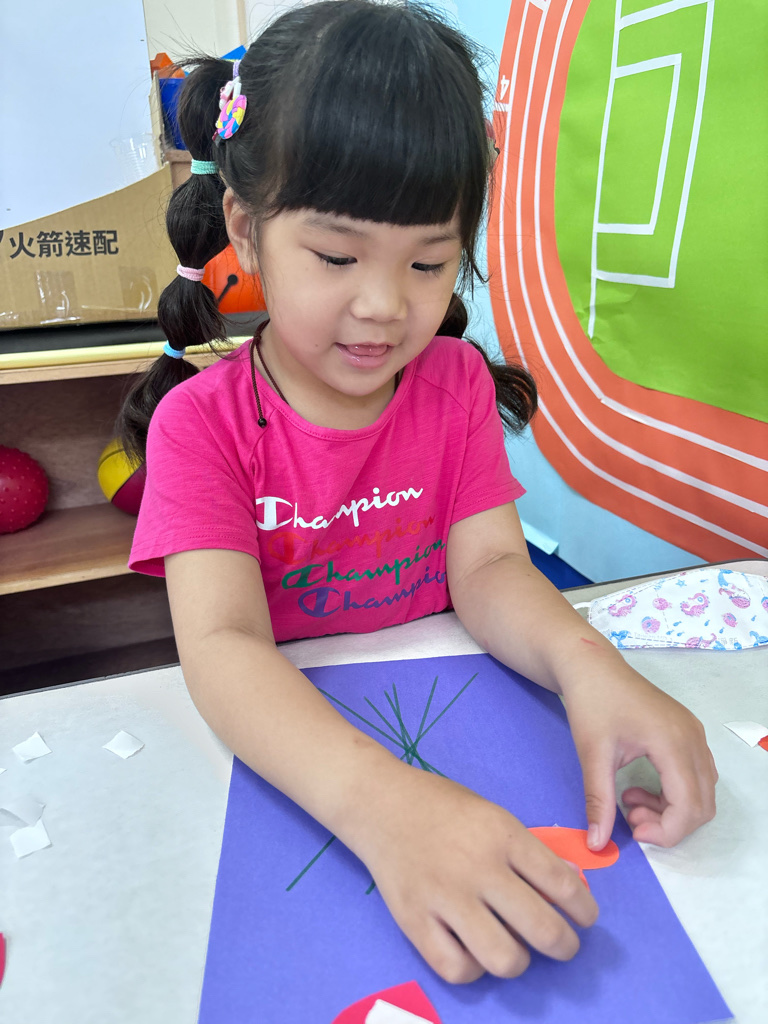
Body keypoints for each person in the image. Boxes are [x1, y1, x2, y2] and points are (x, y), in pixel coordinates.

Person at [119, 0, 716, 986]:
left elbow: (489, 568)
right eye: (337, 256)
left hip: (466, 727)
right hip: (293, 775)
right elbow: (221, 647)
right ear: (247, 230)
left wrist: (589, 665)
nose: (385, 305)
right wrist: (383, 806)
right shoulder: (201, 427)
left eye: (429, 262)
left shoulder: (454, 386)